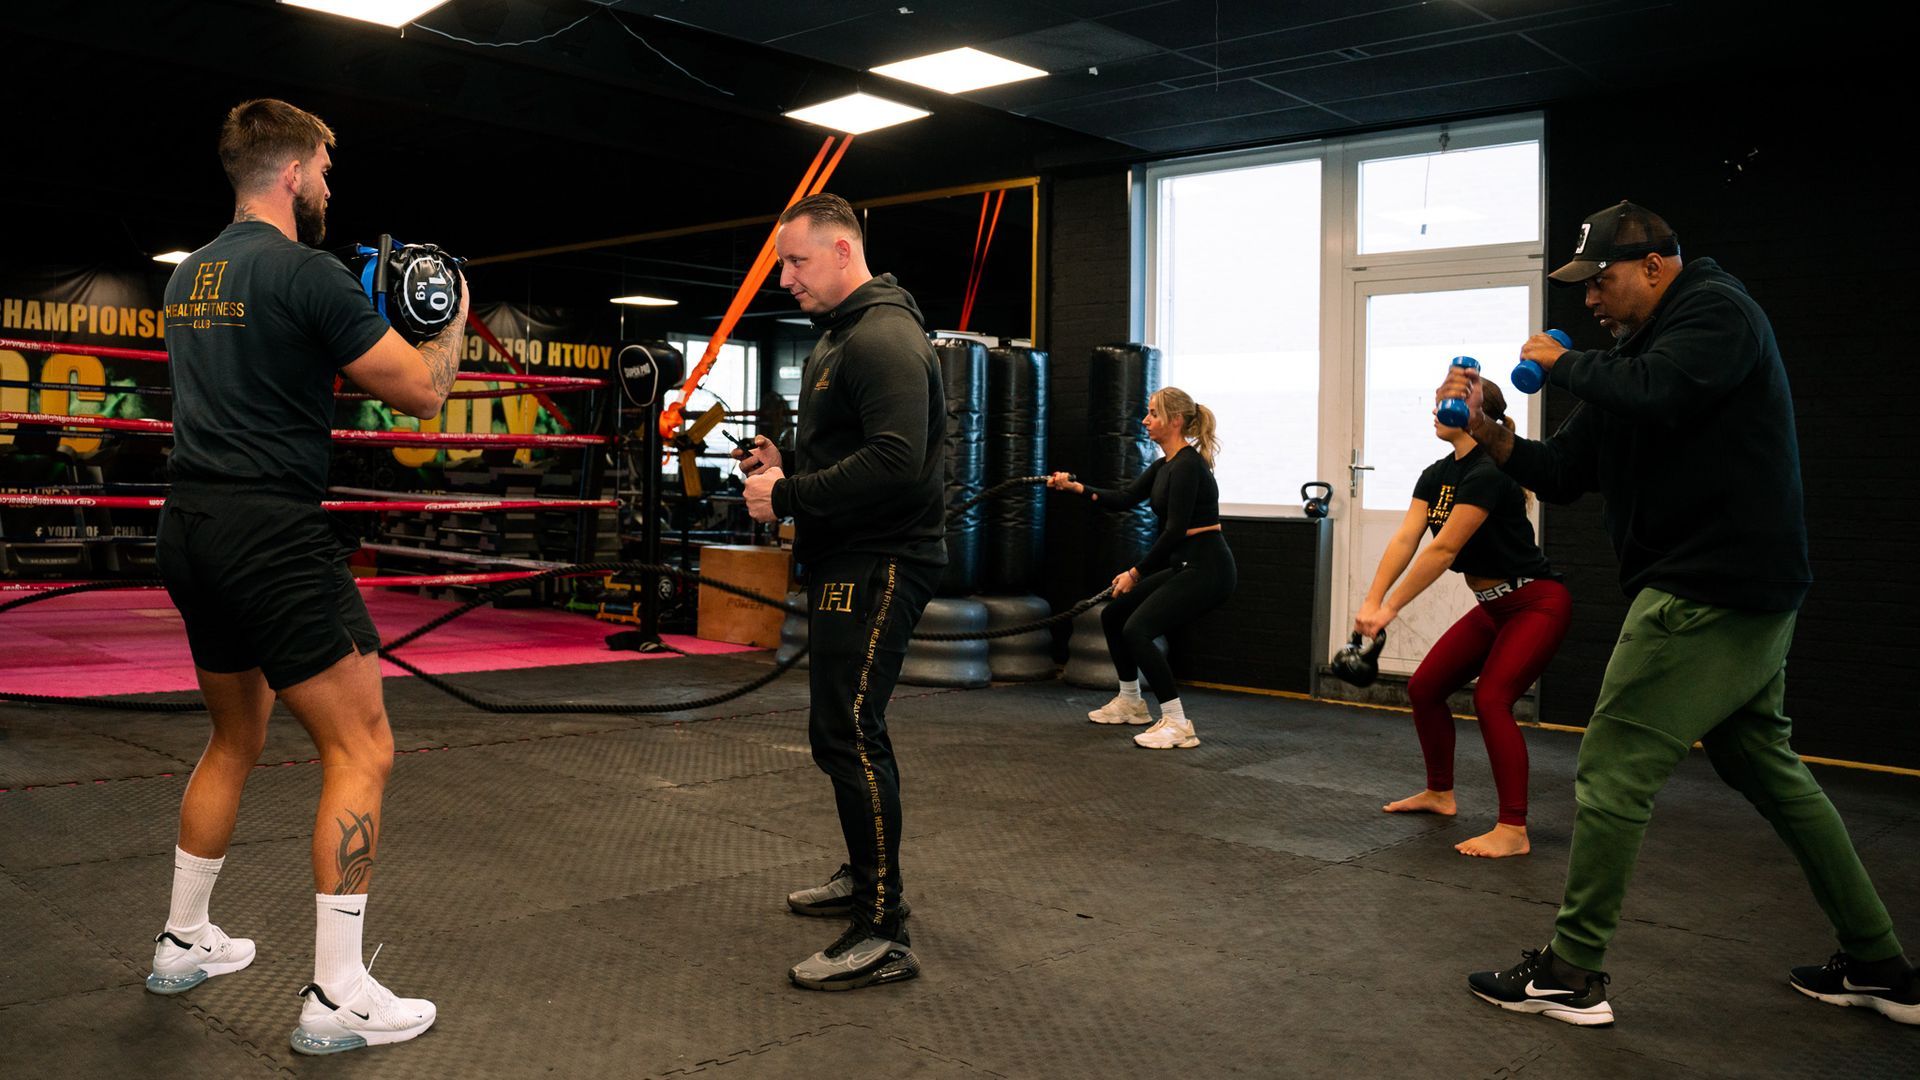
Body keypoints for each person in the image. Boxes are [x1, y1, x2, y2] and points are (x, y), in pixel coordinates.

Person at [1450, 201, 1914, 1026]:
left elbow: (1661, 392)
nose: (1590, 299)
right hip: (1741, 590)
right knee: (1767, 770)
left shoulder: (1716, 312)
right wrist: (1493, 434)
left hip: (1709, 589)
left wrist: (1559, 362)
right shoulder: (1637, 351)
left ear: (1656, 266)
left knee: (1612, 766)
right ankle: (1880, 962)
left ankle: (1573, 970)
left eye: (1601, 280)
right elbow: (1561, 471)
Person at [148, 99, 468, 1055]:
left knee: (233, 738)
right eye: (325, 167)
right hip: (272, 537)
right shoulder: (306, 272)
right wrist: (446, 307)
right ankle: (337, 993)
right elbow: (422, 391)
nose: (331, 183)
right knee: (362, 748)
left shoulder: (188, 279)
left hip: (190, 527)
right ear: (291, 172)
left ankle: (183, 939)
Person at [739, 192, 945, 991]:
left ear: (841, 250)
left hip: (884, 559)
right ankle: (867, 879)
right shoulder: (838, 336)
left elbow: (897, 459)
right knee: (839, 730)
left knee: (850, 733)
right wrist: (782, 458)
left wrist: (787, 497)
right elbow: (848, 445)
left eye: (795, 261)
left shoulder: (886, 336)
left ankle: (883, 928)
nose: (784, 278)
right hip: (847, 556)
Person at [1357, 379, 1571, 858]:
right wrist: (1371, 601)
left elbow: (1445, 548)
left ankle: (1513, 830)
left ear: (1477, 414)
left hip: (1536, 603)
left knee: (1492, 699)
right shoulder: (1436, 474)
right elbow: (1406, 540)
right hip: (1494, 608)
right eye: (1435, 401)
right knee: (1424, 688)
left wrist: (1390, 608)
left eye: (1446, 402)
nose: (1435, 409)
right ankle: (1439, 793)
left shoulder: (1489, 472)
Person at [1048, 387, 1235, 750]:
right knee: (1115, 615)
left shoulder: (1187, 466)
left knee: (1138, 629)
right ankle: (1132, 702)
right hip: (1185, 564)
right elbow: (1124, 499)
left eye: (1153, 413)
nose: (1145, 420)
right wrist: (1076, 487)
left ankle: (1179, 723)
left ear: (1176, 421)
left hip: (1208, 568)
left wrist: (1135, 573)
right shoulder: (1165, 465)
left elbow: (1174, 531)